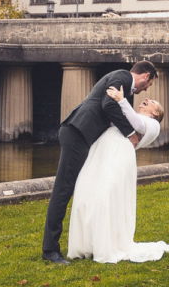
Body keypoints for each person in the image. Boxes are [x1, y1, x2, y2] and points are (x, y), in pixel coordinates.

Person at [42, 60, 157, 263]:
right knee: (63, 189)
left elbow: (117, 111)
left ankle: (88, 241)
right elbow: (107, 104)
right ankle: (50, 250)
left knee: (77, 188)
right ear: (146, 76)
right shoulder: (122, 76)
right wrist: (130, 134)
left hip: (85, 137)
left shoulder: (126, 90)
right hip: (77, 132)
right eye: (149, 84)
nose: (146, 89)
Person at [67, 85, 169, 264]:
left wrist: (122, 100)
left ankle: (108, 244)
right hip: (102, 151)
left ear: (155, 113)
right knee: (88, 192)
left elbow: (136, 124)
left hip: (118, 155)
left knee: (106, 195)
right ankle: (88, 243)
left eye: (152, 102)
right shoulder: (131, 116)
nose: (146, 100)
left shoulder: (152, 125)